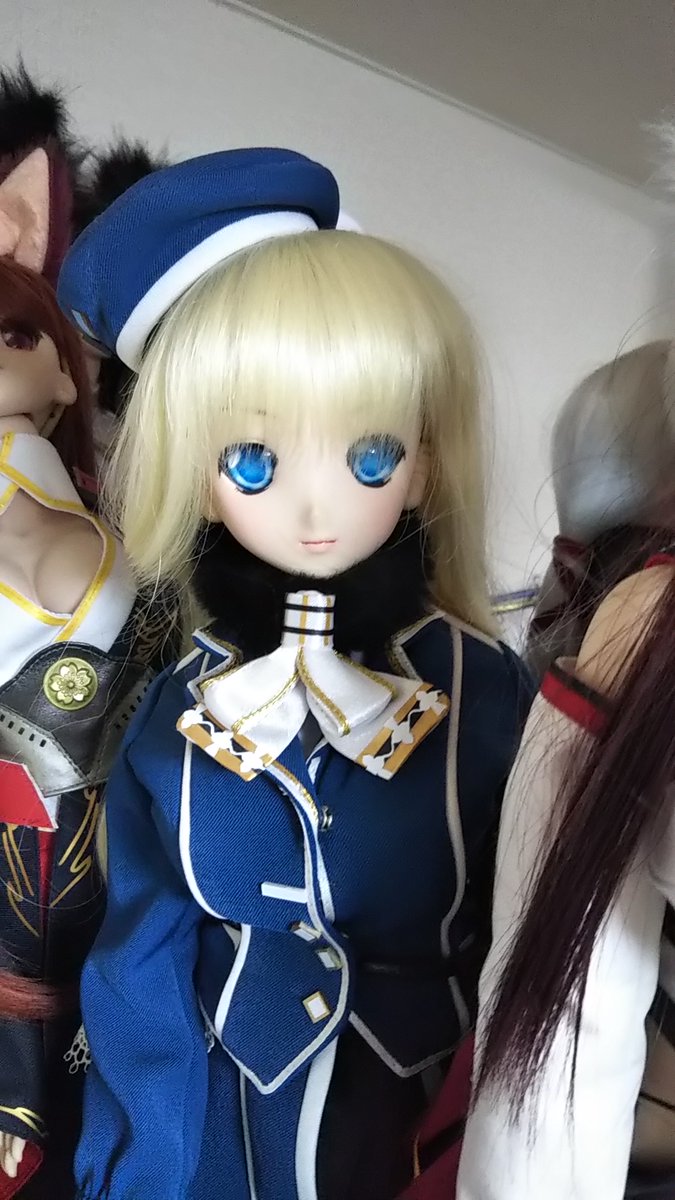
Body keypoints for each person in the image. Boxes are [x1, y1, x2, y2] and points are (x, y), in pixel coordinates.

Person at [56, 147, 533, 1200]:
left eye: (369, 457)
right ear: (196, 471)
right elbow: (141, 967)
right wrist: (141, 1172)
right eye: (255, 462)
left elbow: (537, 946)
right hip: (228, 1126)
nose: (316, 511)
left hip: (427, 1126)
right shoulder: (177, 711)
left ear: (424, 458)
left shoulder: (489, 693)